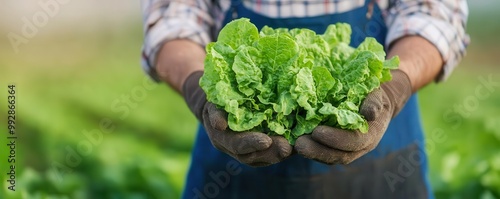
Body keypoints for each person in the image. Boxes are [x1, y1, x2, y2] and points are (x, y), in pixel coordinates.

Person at [140, 0, 468, 198]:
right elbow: (173, 18)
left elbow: (434, 13)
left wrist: (394, 88)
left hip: (382, 168)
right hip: (233, 176)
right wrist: (199, 91)